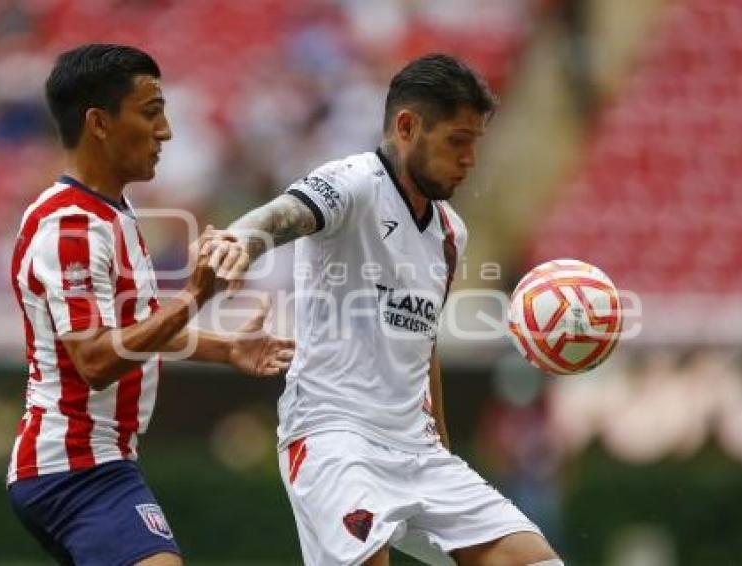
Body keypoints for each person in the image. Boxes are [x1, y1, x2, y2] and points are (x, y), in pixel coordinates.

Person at [212, 54, 563, 565]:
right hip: (335, 438)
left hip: (416, 451)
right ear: (407, 126)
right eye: (457, 141)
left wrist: (442, 449)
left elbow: (424, 348)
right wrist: (241, 241)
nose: (470, 159)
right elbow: (278, 216)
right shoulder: (352, 182)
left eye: (475, 144)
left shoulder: (450, 233)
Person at [6, 44, 293, 566]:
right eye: (150, 112)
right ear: (99, 122)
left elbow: (135, 332)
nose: (165, 132)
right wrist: (195, 295)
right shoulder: (71, 226)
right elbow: (95, 361)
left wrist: (226, 349)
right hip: (74, 468)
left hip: (100, 462)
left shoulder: (111, 213)